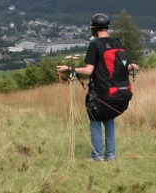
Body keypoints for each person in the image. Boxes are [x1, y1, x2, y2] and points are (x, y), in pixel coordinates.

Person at [57, 13, 140, 161]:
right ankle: (111, 155)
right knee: (109, 119)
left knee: (95, 121)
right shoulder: (117, 43)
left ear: (93, 28)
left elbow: (89, 71)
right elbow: (122, 68)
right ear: (107, 27)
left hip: (101, 93)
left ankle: (97, 156)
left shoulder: (95, 45)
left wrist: (70, 69)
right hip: (119, 93)